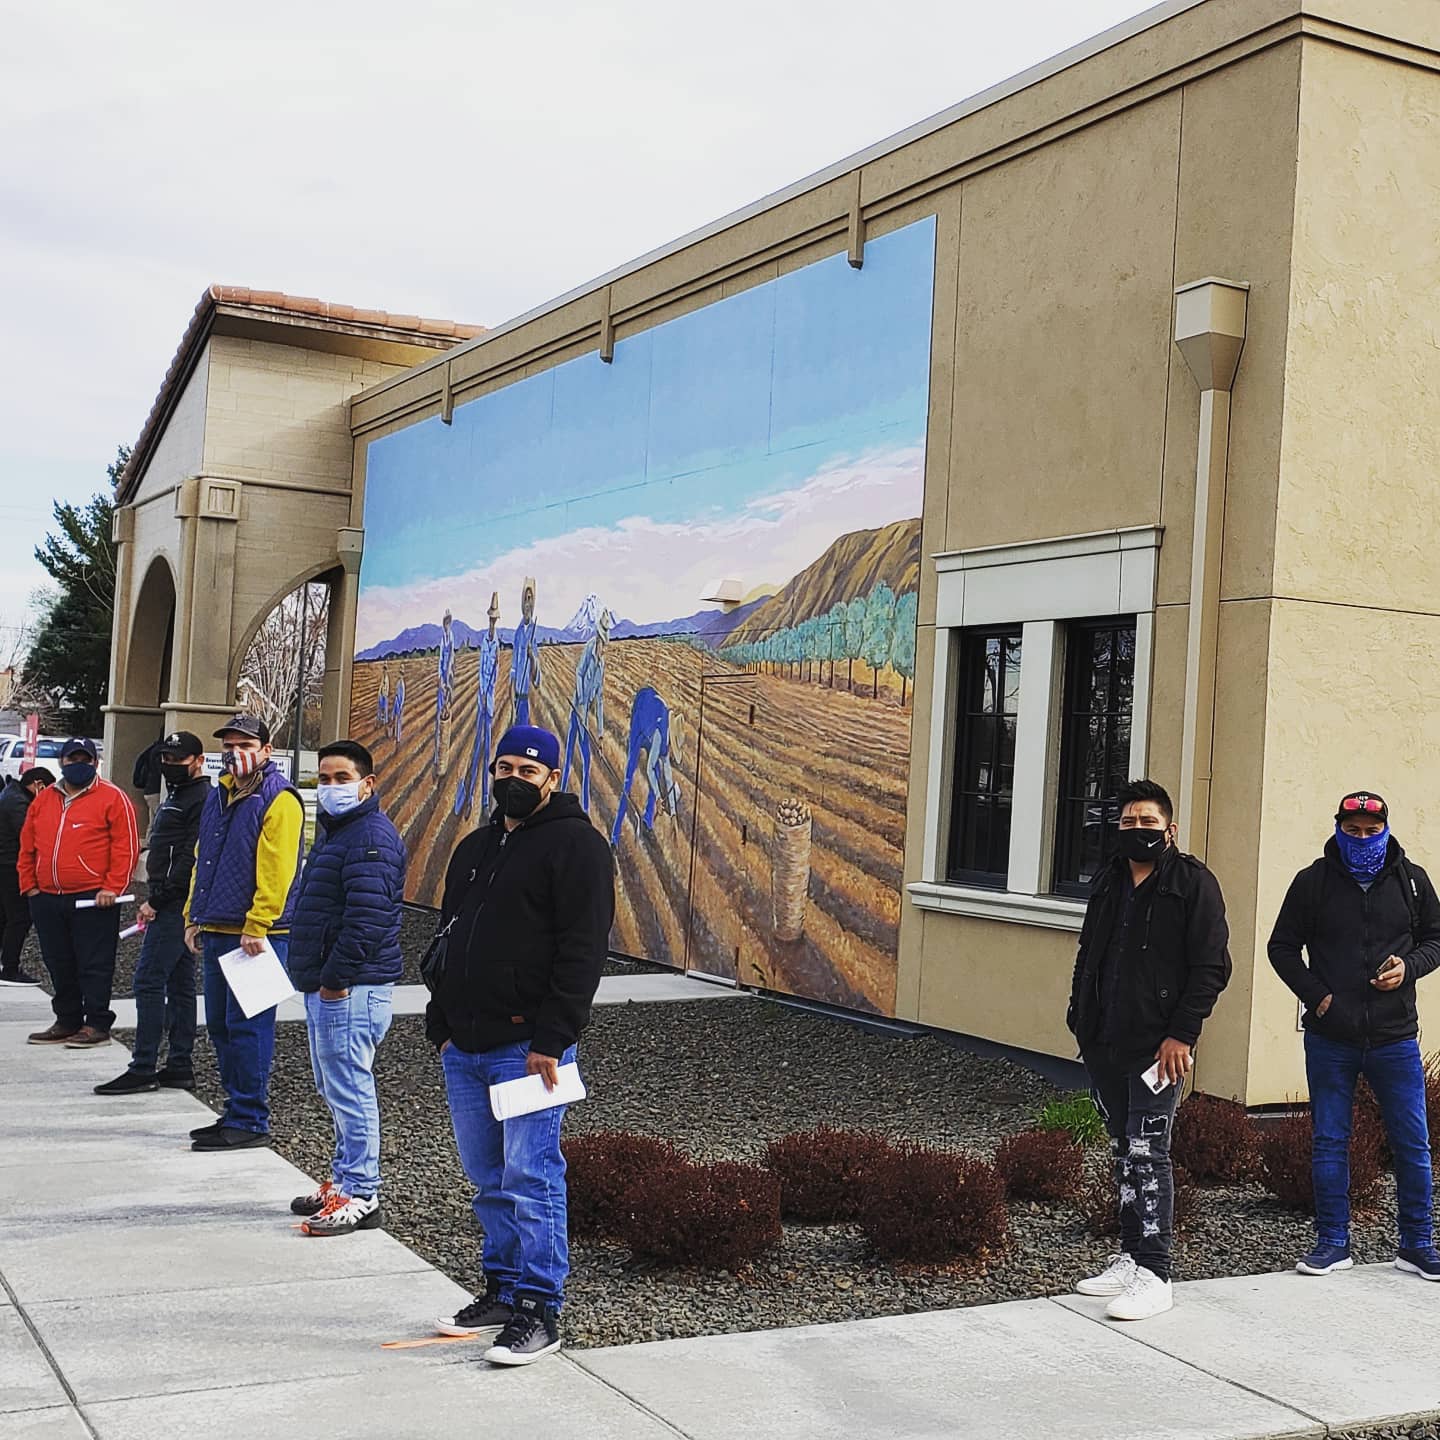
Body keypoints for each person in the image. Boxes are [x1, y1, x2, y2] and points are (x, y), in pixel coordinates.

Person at [428, 724, 613, 1366]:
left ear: (552, 779)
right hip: (466, 1046)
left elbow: (582, 952)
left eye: (527, 772)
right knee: (487, 1177)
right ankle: (502, 1290)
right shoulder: (476, 847)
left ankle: (540, 1307)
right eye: (503, 766)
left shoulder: (578, 848)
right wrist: (441, 1020)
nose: (511, 778)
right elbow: (450, 936)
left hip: (527, 1049)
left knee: (531, 1175)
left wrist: (554, 1038)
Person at [1066, 778, 1231, 1321]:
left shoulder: (1193, 884)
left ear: (1170, 828)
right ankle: (1130, 1256)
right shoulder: (1109, 880)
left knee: (1148, 1152)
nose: (1139, 831)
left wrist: (1182, 1034)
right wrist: (1080, 1019)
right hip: (1105, 1038)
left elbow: (1211, 969)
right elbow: (1091, 950)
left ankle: (1157, 1272)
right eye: (1129, 822)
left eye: (1149, 823)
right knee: (1121, 1149)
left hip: (1159, 1047)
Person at [1268, 790, 1440, 1282]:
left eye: (1370, 831)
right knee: (1329, 1141)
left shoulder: (1412, 881)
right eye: (1352, 830)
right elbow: (1281, 947)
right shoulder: (1312, 882)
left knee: (1412, 1143)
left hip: (1395, 1037)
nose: (1361, 839)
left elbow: (1436, 939)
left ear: (1385, 829)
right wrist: (1317, 996)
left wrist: (1409, 967)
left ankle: (1417, 1244)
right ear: (1338, 828)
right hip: (1331, 1038)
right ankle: (1333, 1243)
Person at [287, 739, 405, 1235]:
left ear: (367, 783)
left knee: (351, 1087)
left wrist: (336, 979)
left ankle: (361, 1191)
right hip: (328, 984)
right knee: (333, 1085)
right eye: (325, 779)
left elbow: (368, 919)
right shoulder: (339, 834)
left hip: (351, 988)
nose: (331, 788)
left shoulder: (370, 838)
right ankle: (344, 1177)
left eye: (342, 779)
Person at [184, 714, 304, 1151]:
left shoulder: (279, 798)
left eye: (245, 744)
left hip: (257, 934)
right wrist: (192, 914)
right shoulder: (221, 795)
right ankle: (236, 1109)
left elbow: (278, 869)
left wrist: (260, 924)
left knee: (249, 1027)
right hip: (218, 925)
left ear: (267, 751)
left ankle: (251, 1118)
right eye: (229, 744)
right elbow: (205, 858)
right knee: (220, 1025)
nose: (235, 752)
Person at [95, 732, 211, 1094]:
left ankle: (143, 1065)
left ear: (198, 760)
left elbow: (190, 860)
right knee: (180, 985)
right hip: (169, 899)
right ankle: (179, 1064)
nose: (170, 766)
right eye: (166, 759)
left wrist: (157, 902)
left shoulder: (202, 799)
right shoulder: (176, 795)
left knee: (148, 980)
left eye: (178, 760)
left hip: (176, 903)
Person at [19, 739, 140, 1046]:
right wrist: (29, 886)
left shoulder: (114, 798)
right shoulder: (44, 799)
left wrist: (113, 887)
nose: (78, 765)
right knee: (58, 961)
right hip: (46, 897)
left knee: (94, 963)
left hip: (92, 899)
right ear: (61, 763)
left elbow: (126, 847)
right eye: (72, 759)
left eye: (84, 759)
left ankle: (97, 1024)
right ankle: (67, 1019)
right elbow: (27, 846)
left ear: (95, 763)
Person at [0, 767, 54, 985]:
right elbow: (29, 835)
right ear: (38, 784)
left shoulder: (11, 795)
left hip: (5, 863)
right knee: (20, 916)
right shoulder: (18, 803)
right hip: (10, 864)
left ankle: (6, 961)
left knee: (5, 915)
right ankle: (10, 967)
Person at [610, 687, 681, 848]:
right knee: (629, 779)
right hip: (640, 720)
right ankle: (614, 838)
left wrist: (674, 815)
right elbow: (648, 768)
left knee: (658, 771)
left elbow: (668, 777)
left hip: (650, 715)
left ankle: (647, 822)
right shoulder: (659, 734)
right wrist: (658, 798)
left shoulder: (666, 741)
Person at [456, 592, 501, 820]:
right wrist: (481, 693)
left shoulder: (497, 645)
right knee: (476, 749)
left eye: (495, 619)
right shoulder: (484, 642)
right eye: (490, 619)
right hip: (481, 702)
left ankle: (485, 799)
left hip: (489, 705)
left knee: (486, 751)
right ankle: (471, 795)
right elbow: (481, 673)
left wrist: (488, 694)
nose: (492, 622)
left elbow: (495, 674)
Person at [561, 607, 609, 811]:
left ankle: (586, 806)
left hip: (584, 713)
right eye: (602, 641)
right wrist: (580, 704)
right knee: (570, 754)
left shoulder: (602, 664)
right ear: (598, 637)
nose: (603, 646)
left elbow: (599, 699)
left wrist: (600, 733)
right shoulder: (589, 649)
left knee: (587, 759)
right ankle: (561, 793)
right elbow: (579, 673)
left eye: (605, 643)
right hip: (576, 711)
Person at [511, 578, 542, 727]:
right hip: (516, 696)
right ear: (522, 604)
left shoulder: (533, 634)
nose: (528, 603)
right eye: (526, 599)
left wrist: (532, 657)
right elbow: (513, 668)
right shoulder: (517, 633)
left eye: (530, 599)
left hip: (526, 697)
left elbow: (537, 675)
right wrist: (511, 701)